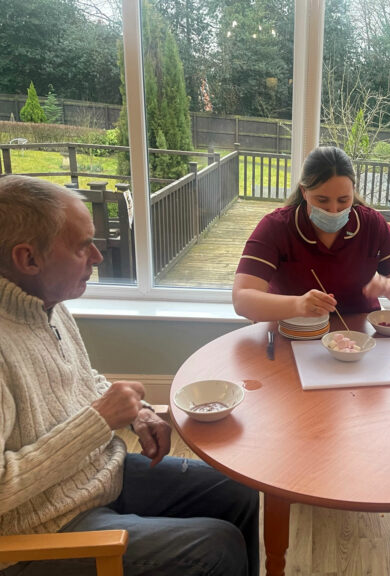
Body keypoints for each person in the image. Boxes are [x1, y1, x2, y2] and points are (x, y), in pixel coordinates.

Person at [0, 175, 260, 576]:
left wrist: (138, 413)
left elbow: (78, 381)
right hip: (41, 531)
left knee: (238, 489)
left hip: (99, 477)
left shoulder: (46, 305)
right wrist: (100, 420)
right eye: (82, 246)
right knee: (216, 547)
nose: (98, 257)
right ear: (28, 259)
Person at [232, 146, 390, 322]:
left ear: (353, 191)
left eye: (343, 200)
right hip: (293, 333)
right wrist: (298, 305)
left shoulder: (371, 224)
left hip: (359, 335)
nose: (334, 210)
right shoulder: (276, 227)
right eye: (322, 200)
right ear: (304, 192)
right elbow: (242, 299)